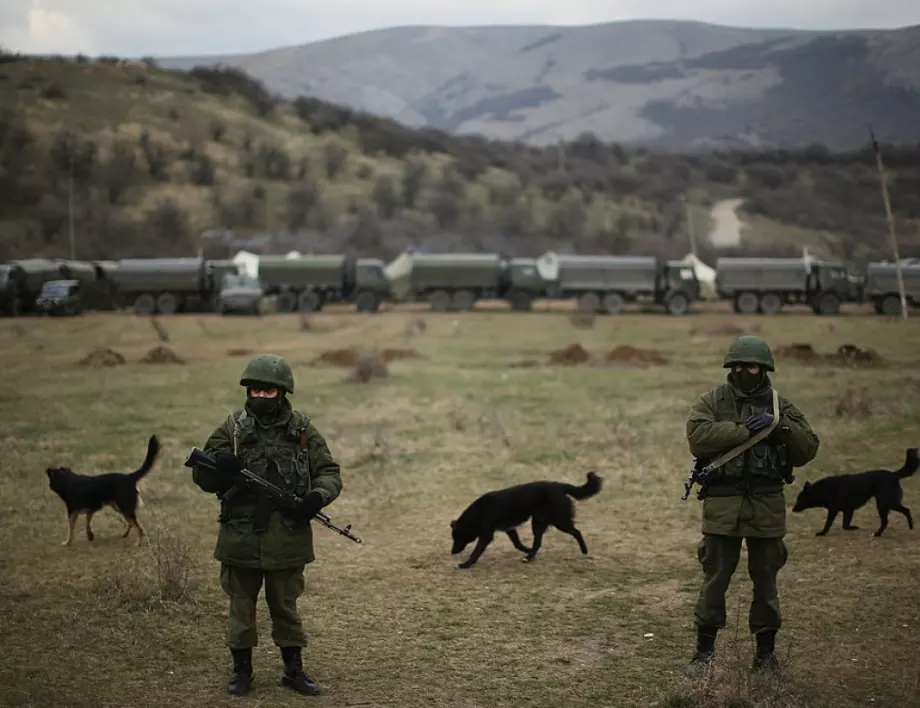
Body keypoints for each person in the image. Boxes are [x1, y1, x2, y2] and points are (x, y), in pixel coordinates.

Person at [191, 353, 343, 697]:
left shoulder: (302, 429)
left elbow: (329, 472)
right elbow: (202, 475)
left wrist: (316, 498)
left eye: (268, 392)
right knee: (241, 608)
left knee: (286, 608)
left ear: (282, 393)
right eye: (255, 391)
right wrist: (219, 468)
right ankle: (241, 671)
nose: (259, 397)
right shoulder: (231, 428)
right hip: (240, 536)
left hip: (287, 539)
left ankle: (293, 670)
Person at [683, 335, 819, 676]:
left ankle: (766, 655)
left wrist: (780, 428)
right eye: (738, 366)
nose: (744, 372)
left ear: (765, 369)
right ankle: (703, 654)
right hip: (723, 503)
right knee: (715, 578)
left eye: (752, 366)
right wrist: (743, 429)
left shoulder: (779, 405)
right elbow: (698, 439)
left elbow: (808, 449)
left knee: (766, 580)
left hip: (766, 502)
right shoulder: (711, 401)